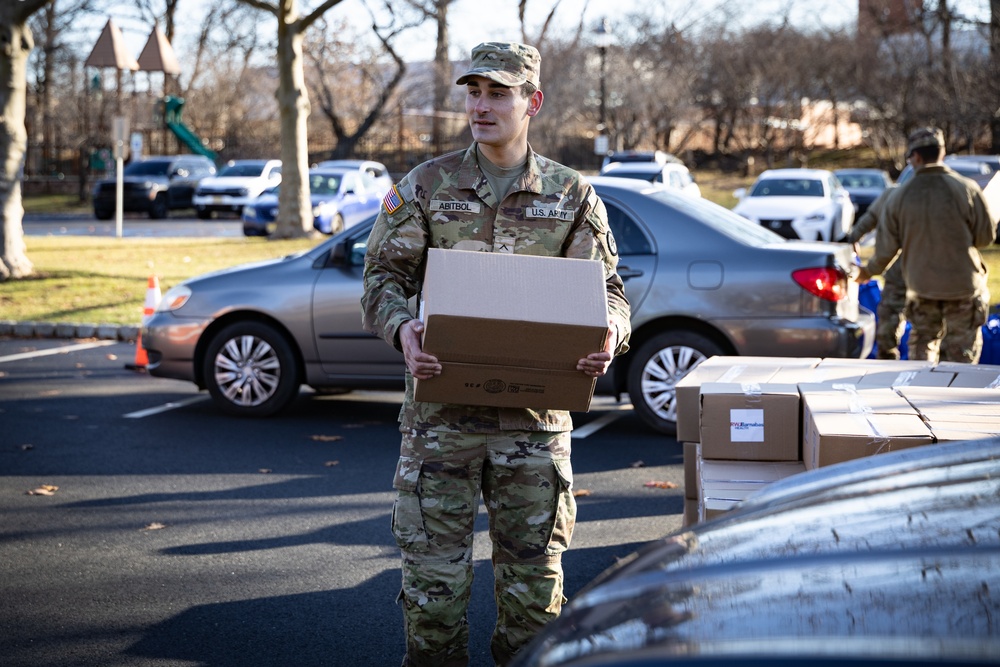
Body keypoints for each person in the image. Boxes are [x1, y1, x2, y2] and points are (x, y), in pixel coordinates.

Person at [361, 42, 631, 667]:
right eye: (473, 92)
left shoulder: (570, 195)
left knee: (535, 600)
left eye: (498, 93)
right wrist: (403, 330)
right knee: (433, 597)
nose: (481, 106)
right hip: (439, 428)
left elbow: (609, 291)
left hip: (535, 430)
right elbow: (381, 280)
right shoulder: (427, 186)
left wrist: (608, 336)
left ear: (532, 102)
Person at [856, 127, 997, 362]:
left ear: (916, 157)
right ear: (941, 153)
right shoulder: (967, 189)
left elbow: (886, 250)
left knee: (922, 348)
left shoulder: (899, 197)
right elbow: (985, 238)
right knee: (961, 357)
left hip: (922, 288)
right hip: (962, 287)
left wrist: (867, 272)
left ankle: (919, 393)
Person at [846, 186, 908, 359]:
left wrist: (868, 271)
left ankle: (889, 357)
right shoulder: (953, 190)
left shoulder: (896, 194)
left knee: (892, 315)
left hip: (902, 268)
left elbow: (886, 247)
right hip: (936, 270)